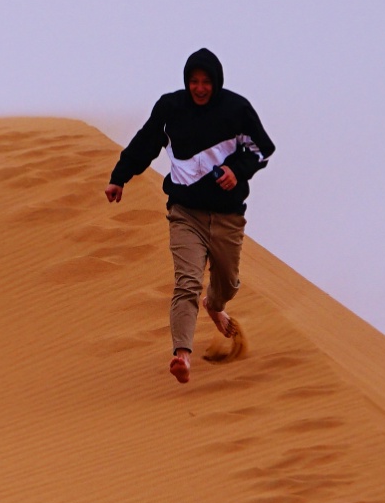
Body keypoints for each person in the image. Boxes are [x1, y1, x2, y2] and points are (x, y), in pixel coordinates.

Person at [104, 48, 273, 384]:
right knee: (187, 282)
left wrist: (237, 171)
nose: (199, 88)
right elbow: (145, 143)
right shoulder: (170, 108)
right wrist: (119, 177)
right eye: (194, 81)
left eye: (206, 82)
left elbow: (262, 148)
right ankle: (182, 355)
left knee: (228, 283)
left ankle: (216, 305)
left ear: (216, 82)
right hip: (185, 214)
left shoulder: (236, 110)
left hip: (227, 216)